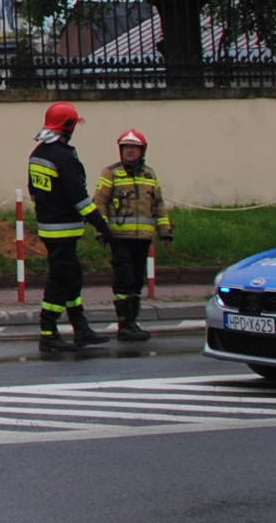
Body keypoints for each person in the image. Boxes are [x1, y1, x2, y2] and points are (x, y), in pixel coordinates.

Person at [28, 100, 109, 357]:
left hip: (50, 225)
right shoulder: (63, 156)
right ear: (68, 126)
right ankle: (48, 332)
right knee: (60, 281)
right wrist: (103, 226)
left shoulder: (39, 153)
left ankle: (80, 326)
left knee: (72, 278)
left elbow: (34, 191)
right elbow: (80, 198)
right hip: (63, 228)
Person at [95, 128, 172, 344]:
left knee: (138, 280)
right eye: (125, 147)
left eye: (134, 147)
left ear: (142, 150)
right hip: (119, 238)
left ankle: (133, 322)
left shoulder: (150, 174)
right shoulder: (110, 173)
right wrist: (100, 230)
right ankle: (124, 325)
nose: (129, 151)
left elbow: (159, 205)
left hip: (143, 238)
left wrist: (164, 231)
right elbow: (99, 202)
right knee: (123, 280)